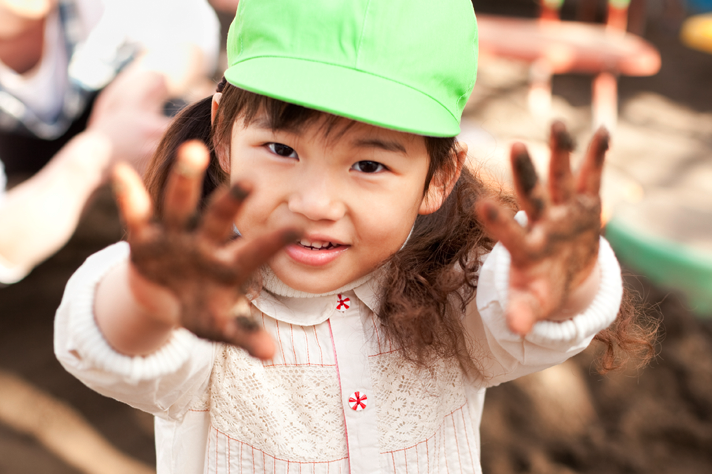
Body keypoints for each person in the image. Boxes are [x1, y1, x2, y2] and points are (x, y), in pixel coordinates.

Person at [55, 0, 654, 472]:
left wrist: (563, 282)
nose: (314, 203)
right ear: (222, 136)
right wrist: (145, 297)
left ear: (437, 177)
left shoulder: (456, 287)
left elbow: (525, 317)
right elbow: (116, 350)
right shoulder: (207, 296)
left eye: (369, 165)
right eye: (281, 149)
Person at [0, 0, 219, 284]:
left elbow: (191, 26)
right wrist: (92, 156)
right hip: (40, 283)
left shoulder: (91, 9)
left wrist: (140, 86)